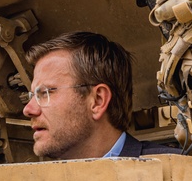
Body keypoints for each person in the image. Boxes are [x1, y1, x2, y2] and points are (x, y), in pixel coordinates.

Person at [22, 31, 180, 159]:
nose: (28, 109)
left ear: (98, 101)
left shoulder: (177, 174)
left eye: (45, 93)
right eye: (32, 95)